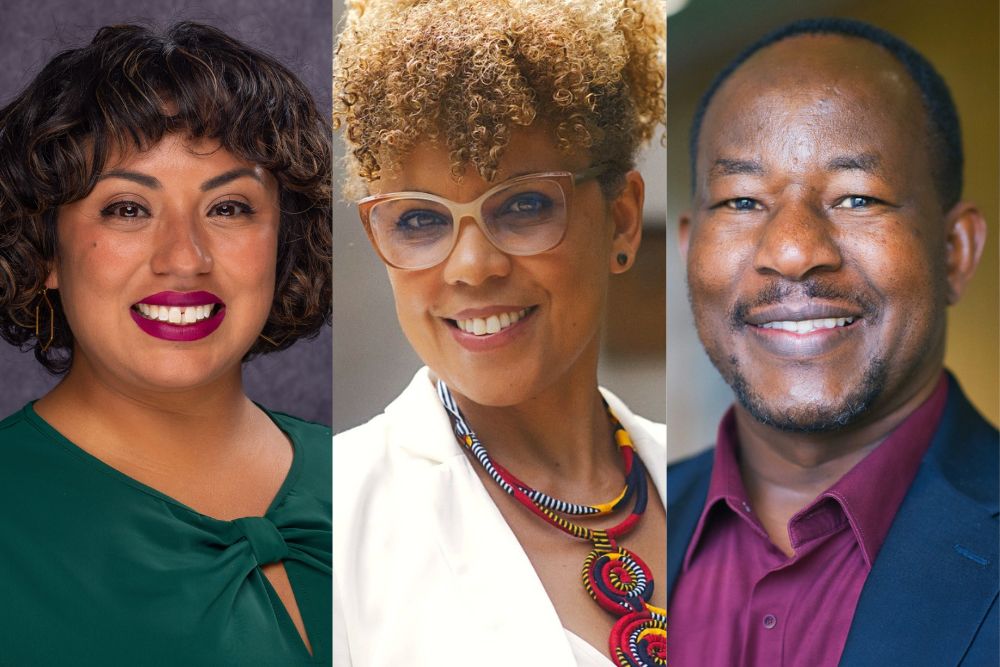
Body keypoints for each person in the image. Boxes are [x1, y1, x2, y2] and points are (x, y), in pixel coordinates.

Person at [332, 0, 665, 664]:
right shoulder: (331, 526)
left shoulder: (712, 484)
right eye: (419, 221)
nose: (472, 267)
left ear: (622, 220)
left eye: (523, 205)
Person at [668, 17, 997, 666]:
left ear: (954, 253)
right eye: (740, 201)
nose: (792, 251)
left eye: (855, 198)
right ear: (688, 250)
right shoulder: (610, 530)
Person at [0, 22, 332, 664]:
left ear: (281, 241)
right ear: (47, 248)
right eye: (127, 208)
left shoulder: (366, 474)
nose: (185, 258)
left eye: (229, 208)